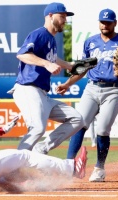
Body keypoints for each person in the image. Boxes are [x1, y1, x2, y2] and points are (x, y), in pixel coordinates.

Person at [56, 8, 118, 182]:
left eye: (108, 22)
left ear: (115, 23)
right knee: (78, 123)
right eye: (102, 22)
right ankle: (69, 165)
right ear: (99, 22)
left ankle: (99, 168)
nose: (105, 25)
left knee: (102, 129)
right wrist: (67, 84)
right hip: (92, 88)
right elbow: (83, 69)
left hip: (114, 89)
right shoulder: (90, 42)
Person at [7, 2, 85, 154]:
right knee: (37, 128)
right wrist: (46, 64)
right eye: (62, 16)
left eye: (65, 17)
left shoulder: (51, 39)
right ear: (50, 16)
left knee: (76, 119)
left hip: (42, 94)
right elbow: (22, 54)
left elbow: (53, 58)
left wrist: (69, 65)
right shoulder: (40, 34)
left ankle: (41, 149)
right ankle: (14, 167)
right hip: (28, 88)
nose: (65, 20)